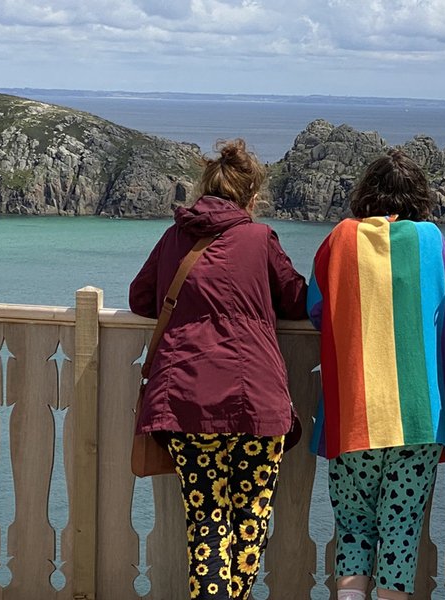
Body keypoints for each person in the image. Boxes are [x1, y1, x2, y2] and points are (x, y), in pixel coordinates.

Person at [129, 139, 307, 600]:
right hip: (256, 401)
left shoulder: (174, 237)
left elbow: (140, 298)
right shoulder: (260, 238)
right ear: (252, 196)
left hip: (186, 399)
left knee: (206, 522)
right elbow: (296, 300)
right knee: (250, 524)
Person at [306, 149, 445, 600]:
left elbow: (315, 309)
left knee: (353, 525)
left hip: (354, 409)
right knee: (401, 529)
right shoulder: (432, 239)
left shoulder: (340, 238)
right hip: (418, 414)